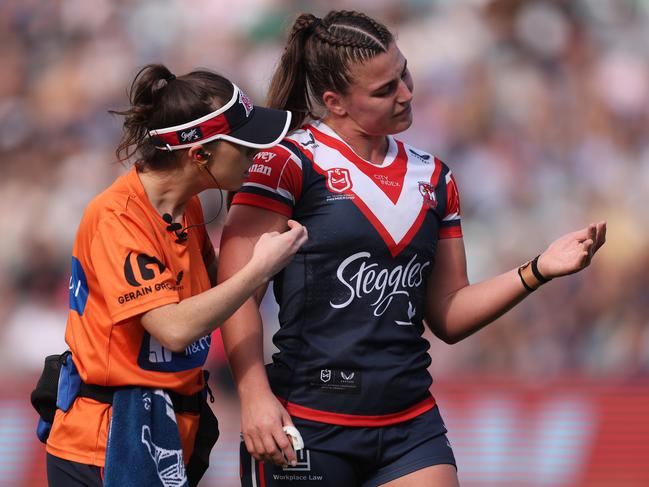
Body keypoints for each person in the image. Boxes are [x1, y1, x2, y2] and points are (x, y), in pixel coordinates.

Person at [218, 10, 606, 487]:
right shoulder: (287, 164)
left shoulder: (435, 176)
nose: (406, 94)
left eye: (404, 73)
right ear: (334, 102)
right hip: (306, 420)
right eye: (384, 90)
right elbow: (235, 294)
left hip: (409, 424)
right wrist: (254, 395)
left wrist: (538, 270)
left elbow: (447, 314)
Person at [43, 63, 308, 487]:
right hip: (103, 447)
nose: (255, 156)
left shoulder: (191, 206)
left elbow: (221, 290)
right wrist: (260, 266)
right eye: (243, 148)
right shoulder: (116, 218)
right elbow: (174, 328)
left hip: (165, 434)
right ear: (198, 154)